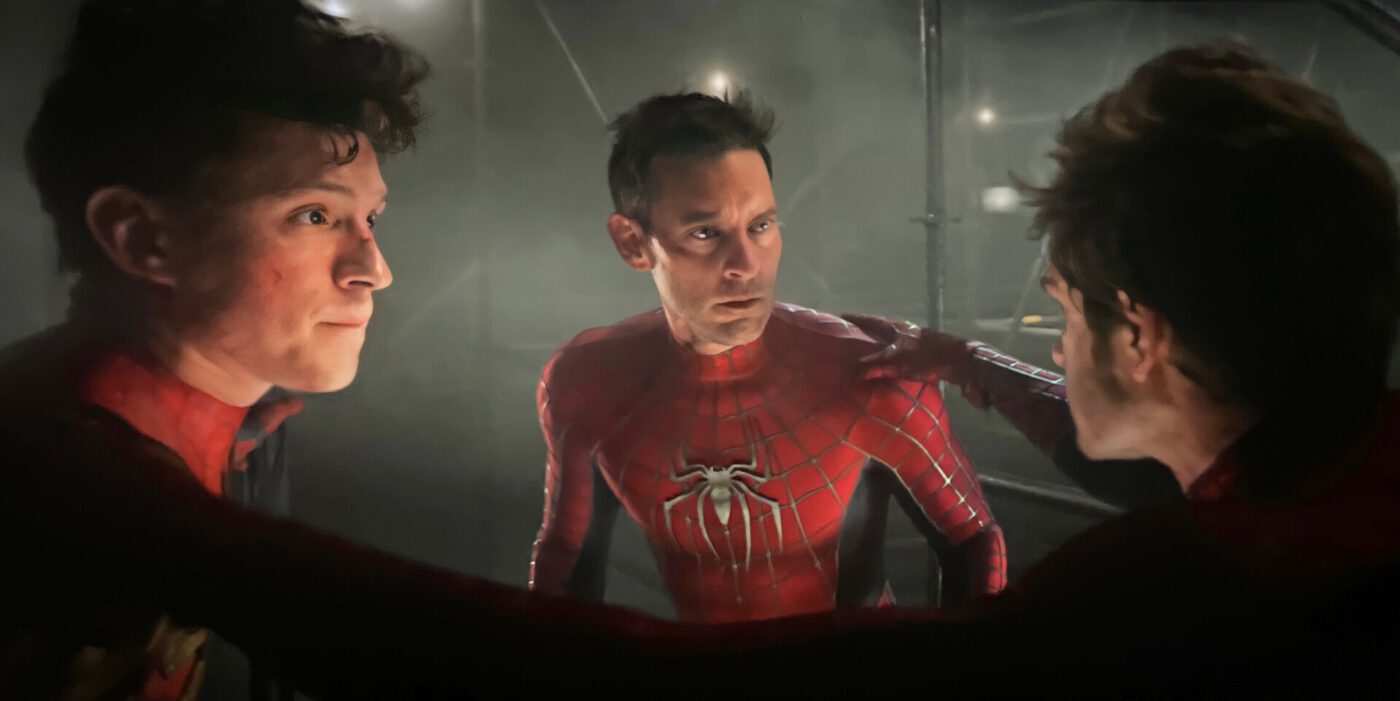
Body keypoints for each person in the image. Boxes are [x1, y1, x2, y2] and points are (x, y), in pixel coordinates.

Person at [1, 0, 422, 696]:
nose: (373, 270)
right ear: (143, 237)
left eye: (369, 218)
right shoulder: (62, 471)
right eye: (314, 214)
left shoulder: (244, 426)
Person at [527, 91, 1006, 620]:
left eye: (760, 226)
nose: (746, 264)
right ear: (633, 243)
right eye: (705, 233)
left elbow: (973, 540)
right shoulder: (589, 381)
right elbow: (565, 557)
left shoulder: (870, 372)